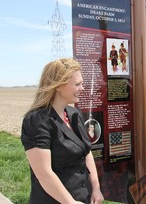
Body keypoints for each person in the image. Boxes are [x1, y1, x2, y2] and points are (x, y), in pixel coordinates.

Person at [21, 58, 104, 204]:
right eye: (77, 84)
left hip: (83, 198)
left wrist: (96, 188)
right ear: (58, 85)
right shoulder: (37, 121)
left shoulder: (73, 114)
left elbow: (87, 152)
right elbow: (44, 174)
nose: (82, 88)